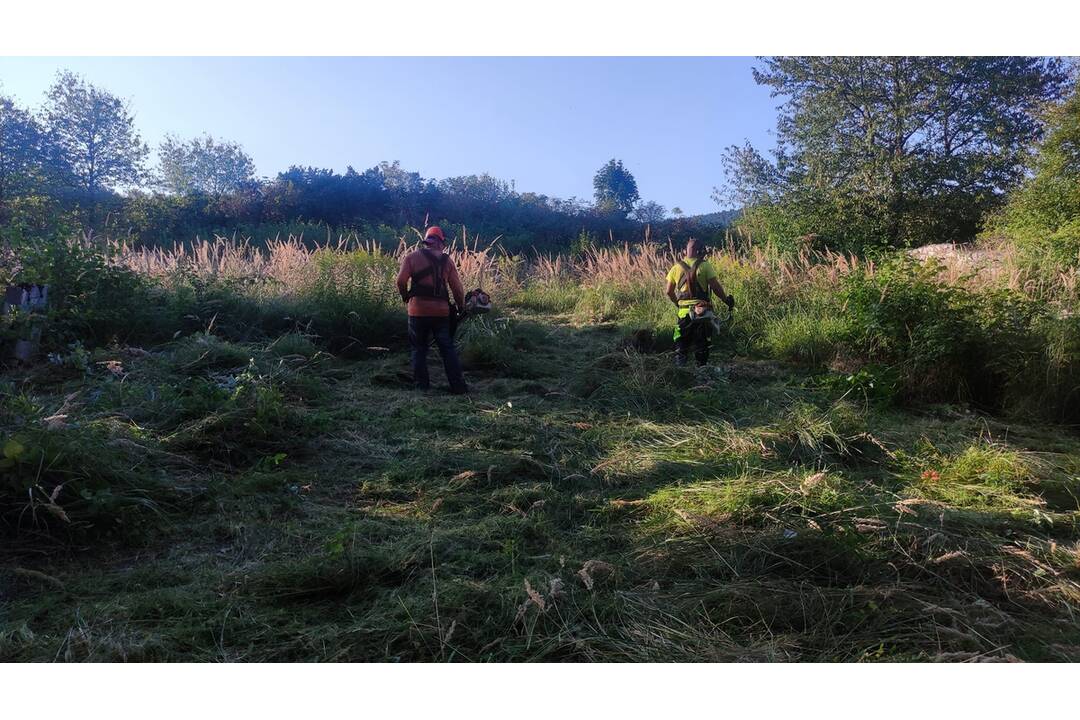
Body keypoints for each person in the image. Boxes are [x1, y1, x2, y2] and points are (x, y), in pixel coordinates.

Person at [396, 226, 468, 394]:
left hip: (417, 312)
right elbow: (457, 289)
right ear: (441, 242)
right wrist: (460, 307)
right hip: (441, 314)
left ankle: (422, 387)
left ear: (427, 241)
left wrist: (405, 296)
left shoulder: (411, 257)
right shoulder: (447, 261)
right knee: (447, 349)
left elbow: (400, 281)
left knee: (418, 349)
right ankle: (458, 387)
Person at [664, 238, 734, 367]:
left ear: (685, 251)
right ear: (700, 251)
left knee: (681, 343)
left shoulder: (675, 268)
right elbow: (715, 287)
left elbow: (668, 291)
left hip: (683, 313)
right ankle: (702, 372)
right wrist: (726, 300)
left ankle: (681, 372)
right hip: (702, 312)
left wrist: (677, 304)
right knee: (702, 345)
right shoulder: (705, 266)